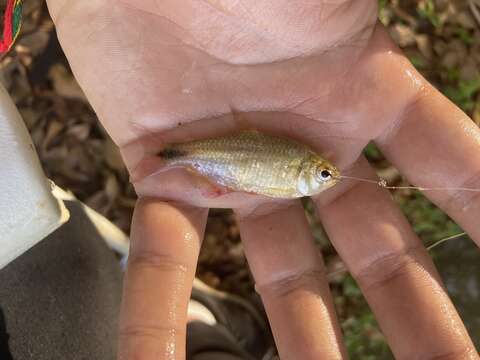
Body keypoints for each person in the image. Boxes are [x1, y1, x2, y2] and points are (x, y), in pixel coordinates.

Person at [45, 1, 480, 359]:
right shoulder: (294, 174)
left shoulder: (296, 169)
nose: (329, 178)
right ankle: (209, 328)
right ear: (309, 170)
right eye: (324, 174)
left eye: (325, 174)